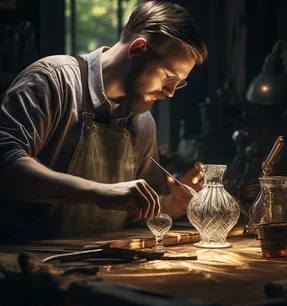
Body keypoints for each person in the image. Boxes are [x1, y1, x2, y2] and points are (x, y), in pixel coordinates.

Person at [0, 1, 208, 239]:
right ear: (137, 49)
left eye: (178, 83)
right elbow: (7, 166)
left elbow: (134, 209)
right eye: (169, 78)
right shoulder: (53, 81)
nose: (170, 92)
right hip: (26, 261)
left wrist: (174, 203)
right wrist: (99, 192)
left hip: (103, 265)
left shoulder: (142, 122)